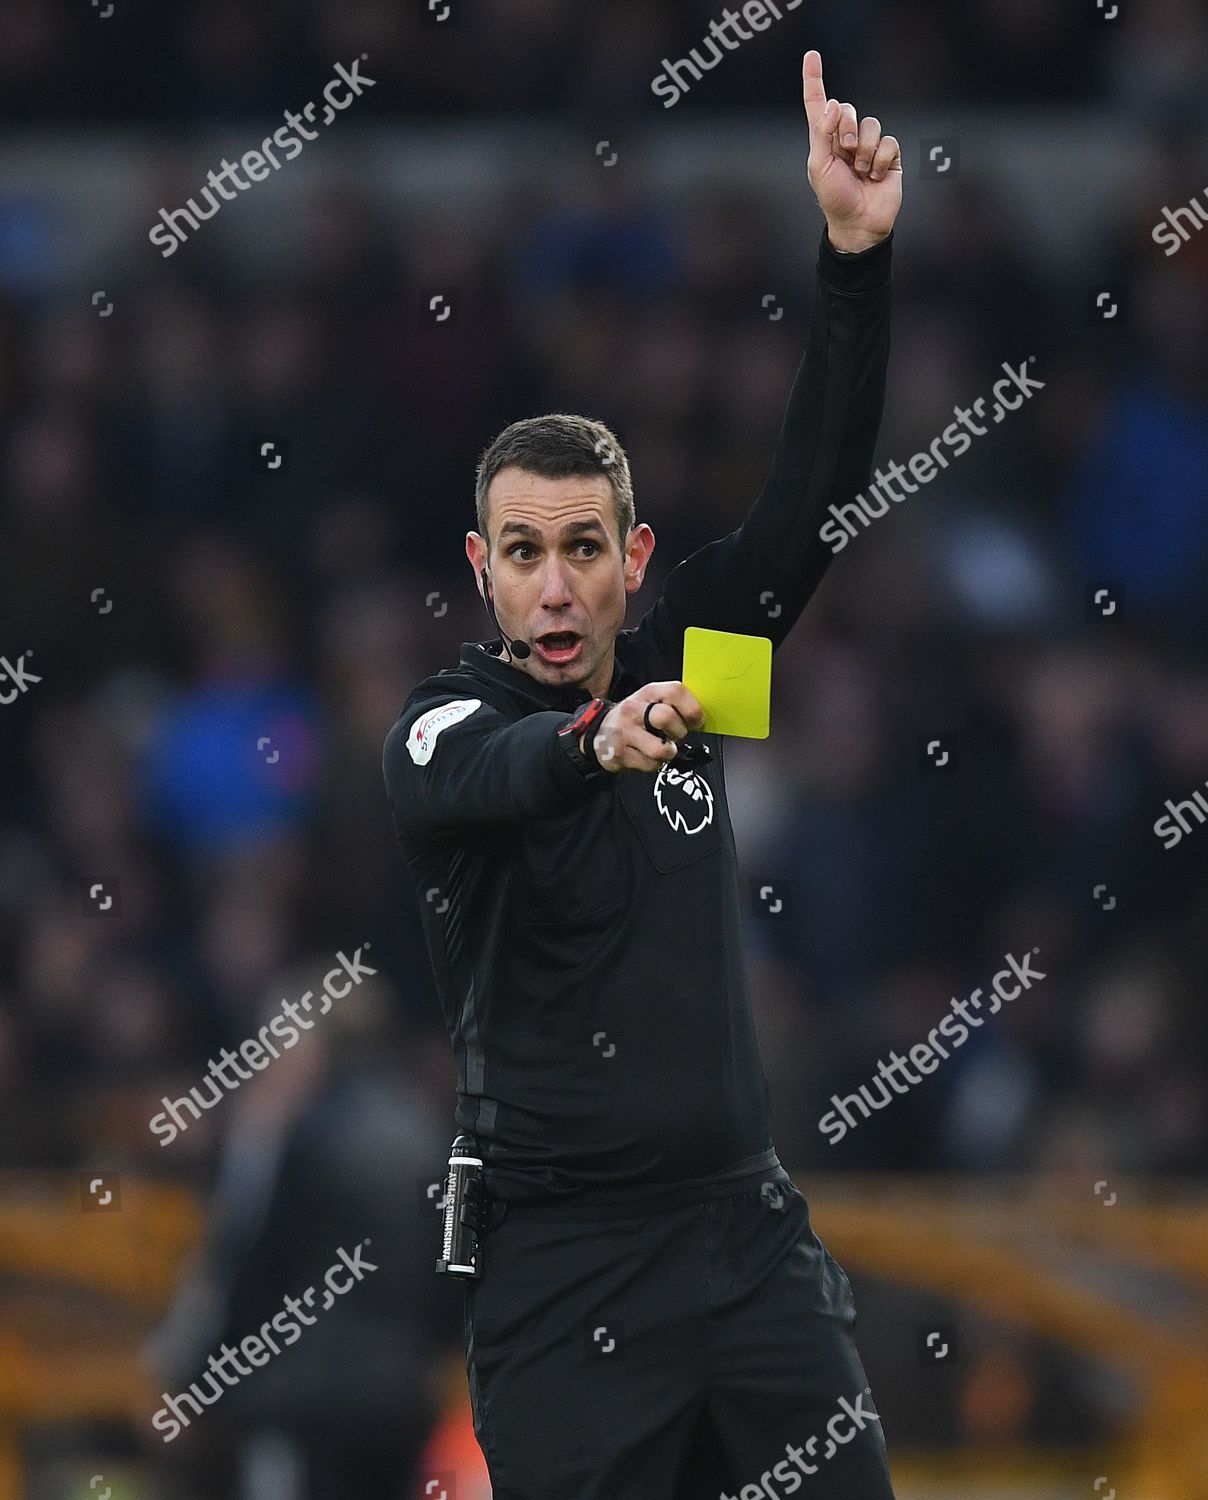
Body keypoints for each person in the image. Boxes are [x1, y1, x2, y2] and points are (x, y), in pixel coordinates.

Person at [383, 50, 902, 1500]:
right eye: (528, 556)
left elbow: (813, 507)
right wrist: (586, 746)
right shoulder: (442, 722)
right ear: (487, 572)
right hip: (562, 1267)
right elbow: (484, 781)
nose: (558, 588)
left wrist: (855, 267)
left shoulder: (698, 662)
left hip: (744, 1238)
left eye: (586, 552)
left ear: (634, 562)